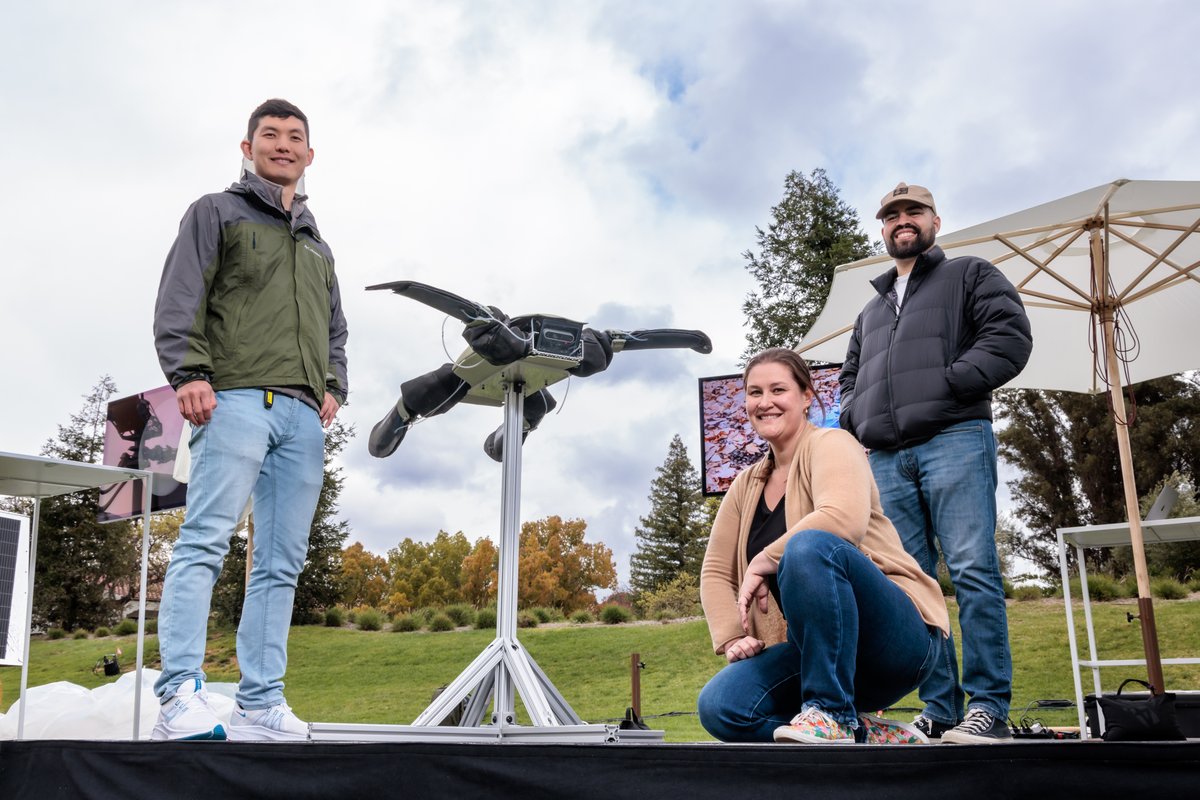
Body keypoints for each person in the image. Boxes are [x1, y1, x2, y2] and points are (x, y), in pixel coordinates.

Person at [151, 98, 349, 741]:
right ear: (248, 147)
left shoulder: (319, 246)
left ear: (310, 155)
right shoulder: (216, 212)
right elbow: (182, 296)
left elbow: (336, 328)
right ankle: (179, 695)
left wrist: (333, 386)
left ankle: (260, 702)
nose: (283, 144)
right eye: (270, 135)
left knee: (280, 564)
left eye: (295, 137)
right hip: (233, 399)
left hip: (301, 418)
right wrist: (189, 373)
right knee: (205, 542)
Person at [839, 182, 1032, 743]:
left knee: (972, 570)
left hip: (955, 439)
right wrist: (856, 417)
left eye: (913, 212)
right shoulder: (870, 312)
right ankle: (941, 708)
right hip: (885, 460)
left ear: (935, 221)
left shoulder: (971, 274)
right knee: (912, 585)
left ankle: (988, 706)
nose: (903, 221)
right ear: (883, 229)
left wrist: (947, 386)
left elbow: (1009, 337)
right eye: (892, 215)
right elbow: (848, 380)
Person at [697, 348, 949, 745]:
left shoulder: (833, 444)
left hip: (895, 643)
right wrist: (731, 635)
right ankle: (863, 733)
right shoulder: (745, 486)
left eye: (778, 389)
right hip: (815, 652)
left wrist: (764, 560)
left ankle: (830, 713)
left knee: (809, 545)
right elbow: (714, 571)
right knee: (722, 707)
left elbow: (842, 518)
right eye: (754, 392)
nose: (765, 402)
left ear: (806, 396)